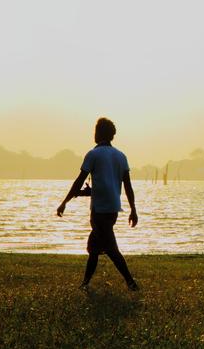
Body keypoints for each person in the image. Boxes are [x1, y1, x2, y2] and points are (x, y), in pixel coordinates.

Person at [57, 117, 139, 291]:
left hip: (99, 210)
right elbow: (126, 186)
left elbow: (78, 181)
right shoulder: (121, 156)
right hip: (113, 210)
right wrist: (133, 210)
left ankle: (131, 282)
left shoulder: (93, 154)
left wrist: (64, 202)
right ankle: (85, 284)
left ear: (100, 133)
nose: (93, 134)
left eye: (95, 131)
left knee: (110, 248)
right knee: (94, 248)